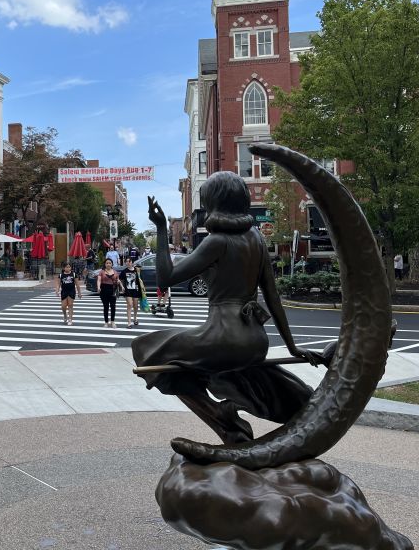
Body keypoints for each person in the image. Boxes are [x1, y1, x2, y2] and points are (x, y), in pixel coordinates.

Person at [133, 172, 324, 445]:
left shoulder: (217, 241)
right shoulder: (257, 239)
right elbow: (273, 298)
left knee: (147, 349)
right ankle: (231, 412)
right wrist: (292, 347)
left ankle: (220, 417)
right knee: (193, 365)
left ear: (215, 203)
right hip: (256, 340)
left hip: (223, 338)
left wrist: (162, 229)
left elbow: (166, 277)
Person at [55, 261, 82, 325]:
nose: (68, 268)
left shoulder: (74, 274)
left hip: (71, 291)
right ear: (63, 268)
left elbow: (77, 284)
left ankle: (70, 319)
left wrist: (79, 293)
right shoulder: (61, 275)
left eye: (69, 267)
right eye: (66, 267)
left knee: (70, 305)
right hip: (64, 291)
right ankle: (65, 315)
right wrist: (57, 290)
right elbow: (58, 284)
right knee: (63, 306)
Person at [96, 258, 120, 328]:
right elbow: (99, 280)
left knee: (113, 306)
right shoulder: (102, 272)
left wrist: (121, 285)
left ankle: (112, 321)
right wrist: (98, 287)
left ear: (112, 264)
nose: (108, 264)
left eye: (110, 263)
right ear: (105, 264)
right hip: (104, 290)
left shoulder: (115, 272)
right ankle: (106, 322)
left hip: (113, 290)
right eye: (107, 263)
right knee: (105, 306)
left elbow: (118, 280)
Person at [120, 257, 141, 328]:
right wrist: (122, 287)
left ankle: (135, 318)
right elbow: (120, 279)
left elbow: (139, 280)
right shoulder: (124, 271)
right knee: (129, 304)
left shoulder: (136, 270)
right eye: (126, 262)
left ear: (132, 262)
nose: (127, 263)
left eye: (129, 261)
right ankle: (129, 322)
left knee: (135, 306)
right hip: (127, 290)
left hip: (135, 290)